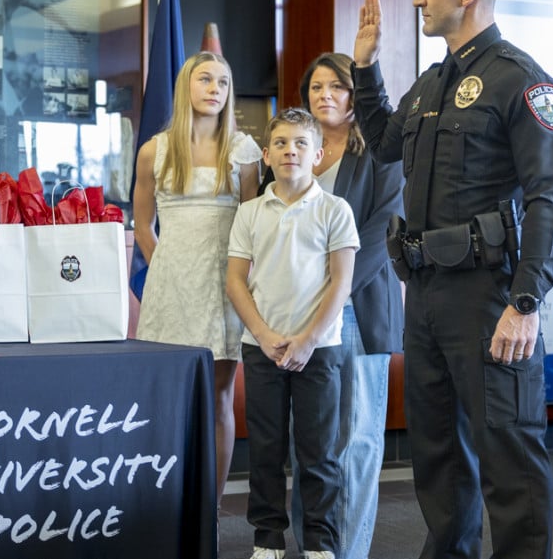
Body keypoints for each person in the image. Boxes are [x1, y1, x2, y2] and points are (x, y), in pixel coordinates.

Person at [351, 0, 553, 559]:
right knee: (439, 457)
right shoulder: (430, 82)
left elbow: (548, 196)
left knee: (509, 455)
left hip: (488, 295)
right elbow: (386, 142)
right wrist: (365, 69)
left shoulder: (522, 81)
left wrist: (526, 302)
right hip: (422, 294)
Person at [258, 53, 403, 559]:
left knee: (357, 440)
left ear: (355, 94)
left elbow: (384, 235)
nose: (324, 96)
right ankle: (313, 546)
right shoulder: (294, 154)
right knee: (312, 441)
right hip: (300, 317)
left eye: (336, 87)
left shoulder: (383, 153)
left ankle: (350, 551)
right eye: (315, 87)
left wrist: (329, 298)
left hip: (359, 312)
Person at [132, 51, 261, 526]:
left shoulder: (244, 150)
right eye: (205, 79)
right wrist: (162, 262)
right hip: (171, 287)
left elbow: (252, 223)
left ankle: (210, 504)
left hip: (222, 284)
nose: (214, 89)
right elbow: (143, 221)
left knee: (219, 395)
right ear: (186, 86)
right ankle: (166, 502)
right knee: (168, 397)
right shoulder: (156, 150)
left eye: (223, 82)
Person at [226, 107, 359, 559]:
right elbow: (234, 282)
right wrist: (263, 335)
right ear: (265, 155)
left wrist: (306, 340)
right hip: (261, 348)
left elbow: (341, 283)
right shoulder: (249, 213)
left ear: (318, 154)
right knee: (265, 451)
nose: (290, 151)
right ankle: (267, 539)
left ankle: (321, 542)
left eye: (301, 143)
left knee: (319, 453)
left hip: (319, 351)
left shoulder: (335, 210)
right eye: (280, 143)